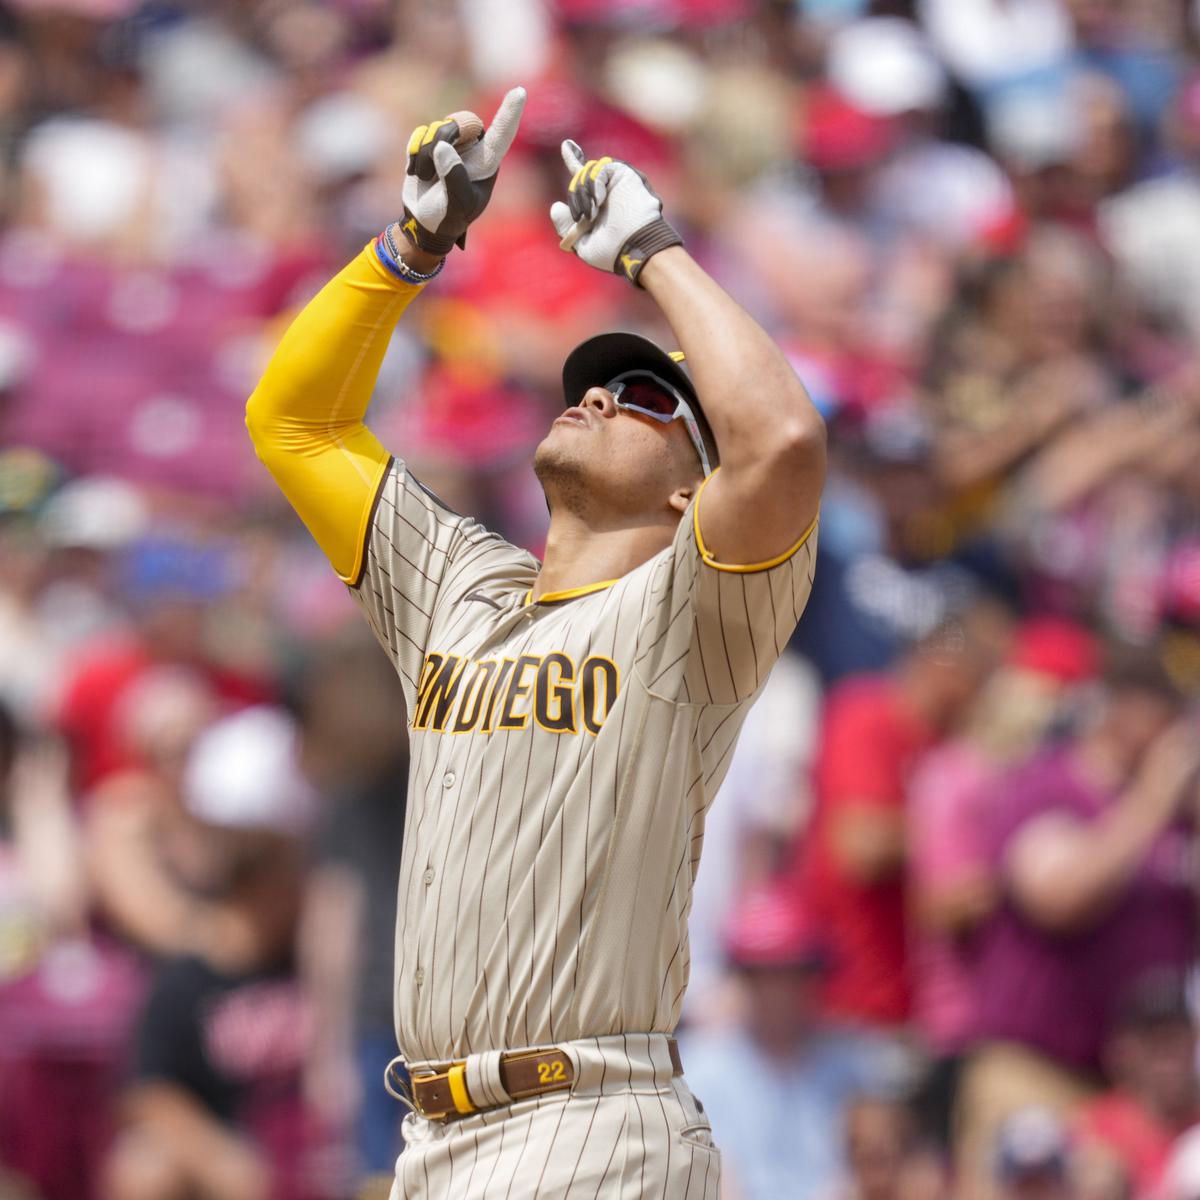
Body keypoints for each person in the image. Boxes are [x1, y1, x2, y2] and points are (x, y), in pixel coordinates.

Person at [245, 87, 826, 1198]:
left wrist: (654, 252)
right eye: (598, 382)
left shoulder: (694, 615)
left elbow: (784, 438)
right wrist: (409, 247)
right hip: (432, 1138)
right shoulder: (456, 585)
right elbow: (294, 421)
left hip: (596, 1122)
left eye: (650, 399)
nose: (605, 396)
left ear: (692, 495)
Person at [956, 651, 1200, 1198]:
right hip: (1034, 1075)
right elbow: (1058, 897)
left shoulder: (1172, 816)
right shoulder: (1048, 786)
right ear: (1127, 711)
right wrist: (1157, 793)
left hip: (1134, 1097)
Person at [681, 884, 888, 1200]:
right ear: (744, 978)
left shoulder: (852, 1065)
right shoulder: (702, 1066)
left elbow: (876, 1168)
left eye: (794, 974)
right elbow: (711, 1179)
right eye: (767, 975)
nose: (781, 993)